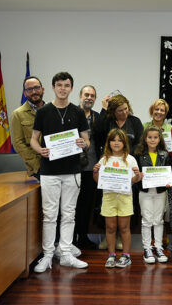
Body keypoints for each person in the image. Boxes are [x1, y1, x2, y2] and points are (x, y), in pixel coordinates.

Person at [30, 72, 90, 273]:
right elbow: (33, 140)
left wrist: (83, 143)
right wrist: (40, 150)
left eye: (66, 85)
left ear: (71, 88)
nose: (63, 88)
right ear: (53, 87)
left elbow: (87, 141)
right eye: (59, 85)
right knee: (49, 215)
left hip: (72, 171)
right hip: (49, 171)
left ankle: (65, 253)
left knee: (69, 214)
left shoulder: (78, 112)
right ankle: (47, 254)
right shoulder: (43, 112)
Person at [93, 129, 141, 268]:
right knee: (110, 227)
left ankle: (126, 256)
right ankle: (111, 255)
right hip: (109, 197)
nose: (116, 143)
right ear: (109, 142)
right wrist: (95, 172)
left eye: (120, 140)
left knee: (124, 227)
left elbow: (134, 180)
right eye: (113, 140)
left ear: (125, 143)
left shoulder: (130, 159)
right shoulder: (104, 159)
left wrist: (137, 175)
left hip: (125, 197)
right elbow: (98, 180)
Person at [134, 125, 172, 264]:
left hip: (160, 191)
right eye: (150, 137)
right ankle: (147, 248)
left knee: (158, 219)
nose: (152, 140)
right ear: (145, 138)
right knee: (146, 219)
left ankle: (158, 247)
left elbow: (168, 172)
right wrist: (139, 176)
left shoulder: (165, 154)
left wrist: (168, 181)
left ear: (160, 139)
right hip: (144, 191)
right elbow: (135, 174)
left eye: (155, 137)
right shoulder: (138, 154)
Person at [74, 85, 100, 249]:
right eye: (86, 94)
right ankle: (69, 239)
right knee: (70, 205)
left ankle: (82, 237)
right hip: (72, 168)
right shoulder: (72, 114)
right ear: (80, 96)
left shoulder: (97, 117)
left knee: (85, 205)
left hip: (91, 168)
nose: (89, 97)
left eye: (92, 95)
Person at [10, 76, 45, 179]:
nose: (34, 91)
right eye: (29, 89)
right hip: (39, 167)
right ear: (25, 93)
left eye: (36, 88)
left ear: (42, 89)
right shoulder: (18, 114)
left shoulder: (53, 109)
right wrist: (37, 165)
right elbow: (18, 143)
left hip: (59, 163)